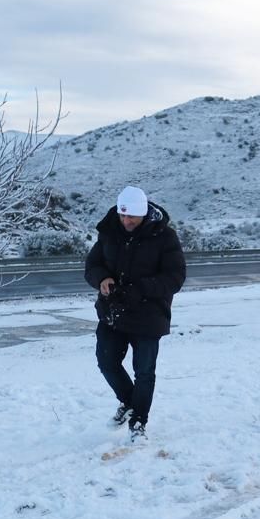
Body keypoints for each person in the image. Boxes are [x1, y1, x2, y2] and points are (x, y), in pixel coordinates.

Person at [83, 185, 186, 438]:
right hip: (113, 312)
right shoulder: (109, 231)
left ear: (144, 214)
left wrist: (140, 289)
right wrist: (102, 279)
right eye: (122, 215)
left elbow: (175, 277)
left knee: (144, 372)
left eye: (131, 217)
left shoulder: (165, 236)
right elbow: (92, 265)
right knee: (106, 362)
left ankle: (139, 420)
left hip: (149, 315)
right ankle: (129, 402)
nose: (125, 221)